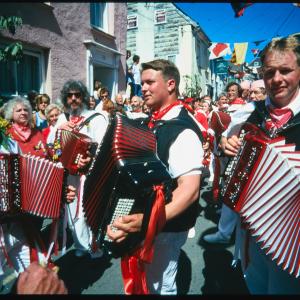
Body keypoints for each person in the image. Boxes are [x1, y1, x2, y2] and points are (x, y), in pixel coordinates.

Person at [107, 59, 204, 295]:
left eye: (150, 82)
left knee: (160, 286)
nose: (144, 88)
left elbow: (189, 191)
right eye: (142, 83)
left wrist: (148, 220)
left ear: (171, 84)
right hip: (151, 220)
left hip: (167, 227)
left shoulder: (182, 129)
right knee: (148, 281)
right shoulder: (152, 121)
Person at [220, 34, 300, 294]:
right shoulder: (249, 113)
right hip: (253, 228)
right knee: (254, 286)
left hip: (293, 236)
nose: (276, 79)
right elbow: (225, 145)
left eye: (285, 70)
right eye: (269, 72)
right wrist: (226, 146)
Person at [47, 80, 109, 259]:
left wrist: (89, 158)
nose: (73, 99)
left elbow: (103, 146)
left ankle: (94, 245)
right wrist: (59, 129)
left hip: (89, 173)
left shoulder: (96, 117)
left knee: (88, 211)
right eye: (69, 95)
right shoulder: (62, 118)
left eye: (77, 95)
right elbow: (52, 144)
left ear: (83, 96)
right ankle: (81, 245)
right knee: (71, 212)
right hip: (67, 174)